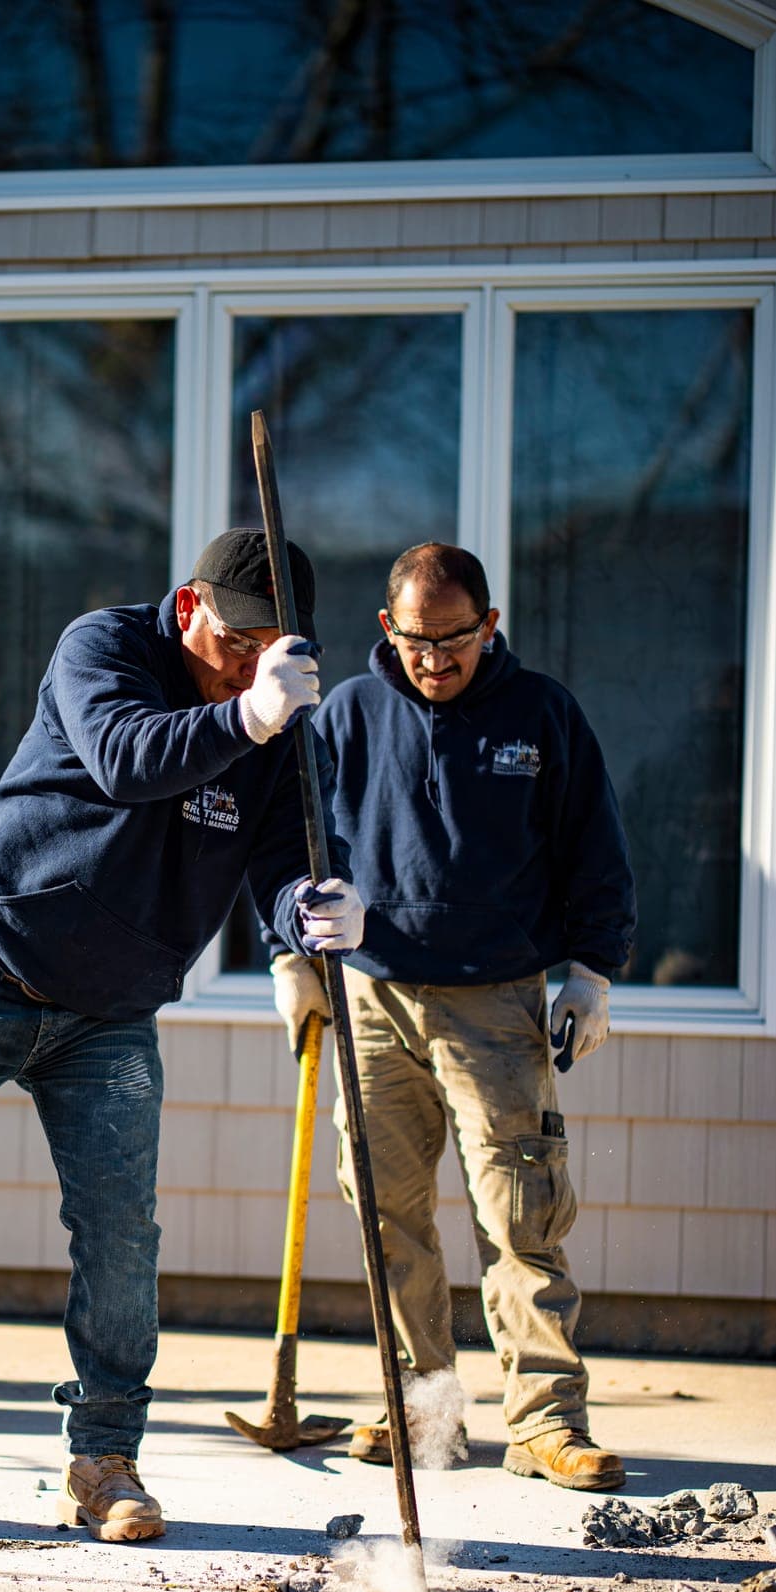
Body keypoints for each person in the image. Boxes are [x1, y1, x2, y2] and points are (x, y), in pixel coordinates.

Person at [0, 529, 360, 1542]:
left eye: (272, 647)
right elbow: (125, 759)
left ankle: (104, 1460)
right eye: (235, 640)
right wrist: (249, 712)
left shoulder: (283, 727)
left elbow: (278, 860)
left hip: (111, 1012)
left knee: (121, 1237)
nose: (247, 660)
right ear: (189, 605)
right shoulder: (103, 648)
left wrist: (311, 912)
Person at [272, 542, 635, 1492]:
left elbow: (594, 844)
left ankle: (545, 1424)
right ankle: (419, 1412)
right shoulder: (343, 712)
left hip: (495, 999)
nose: (435, 659)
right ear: (386, 629)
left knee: (519, 1215)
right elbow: (289, 840)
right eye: (415, 639)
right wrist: (290, 950)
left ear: (490, 624)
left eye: (455, 638)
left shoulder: (541, 714)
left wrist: (592, 968)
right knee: (386, 1215)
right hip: (370, 992)